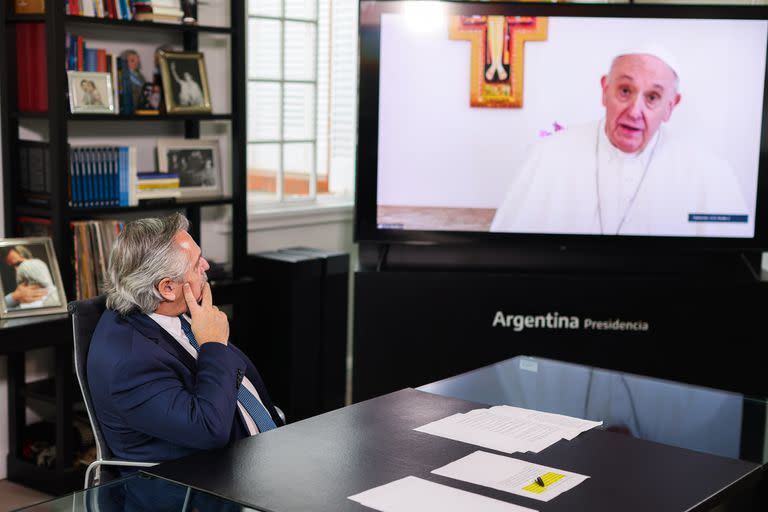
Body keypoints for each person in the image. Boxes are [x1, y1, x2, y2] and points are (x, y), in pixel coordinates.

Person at [87, 213, 282, 465]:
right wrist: (213, 346)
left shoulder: (170, 312)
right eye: (197, 263)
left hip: (259, 454)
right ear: (167, 288)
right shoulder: (128, 363)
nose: (207, 267)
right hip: (200, 488)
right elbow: (209, 430)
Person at [490, 49, 751, 237]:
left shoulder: (708, 172)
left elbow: (729, 269)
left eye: (653, 97)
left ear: (671, 107)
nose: (635, 111)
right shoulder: (548, 156)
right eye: (625, 91)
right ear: (605, 90)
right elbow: (507, 254)